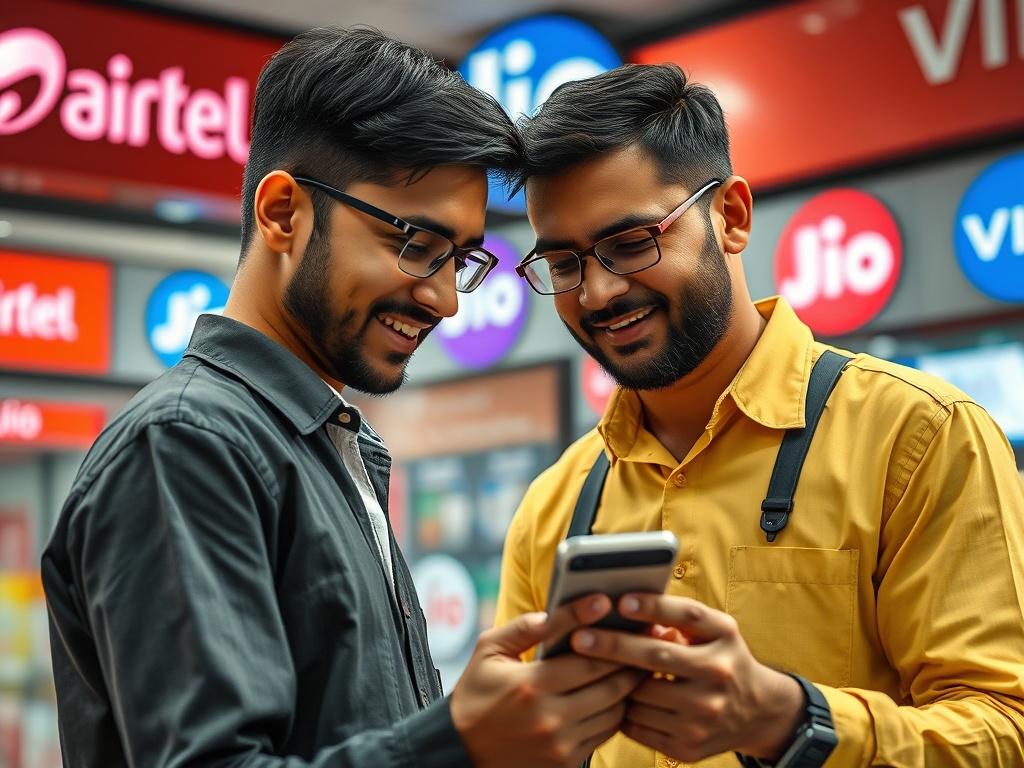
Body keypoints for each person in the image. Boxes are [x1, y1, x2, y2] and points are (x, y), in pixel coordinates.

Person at [41, 28, 642, 768]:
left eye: (461, 260)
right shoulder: (187, 443)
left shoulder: (327, 445)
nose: (446, 300)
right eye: (417, 245)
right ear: (283, 212)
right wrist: (457, 741)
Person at [496, 62, 1024, 767]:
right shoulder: (553, 506)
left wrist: (791, 718)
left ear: (732, 217)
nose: (597, 293)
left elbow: (1005, 729)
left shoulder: (918, 436)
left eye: (631, 244)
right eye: (563, 264)